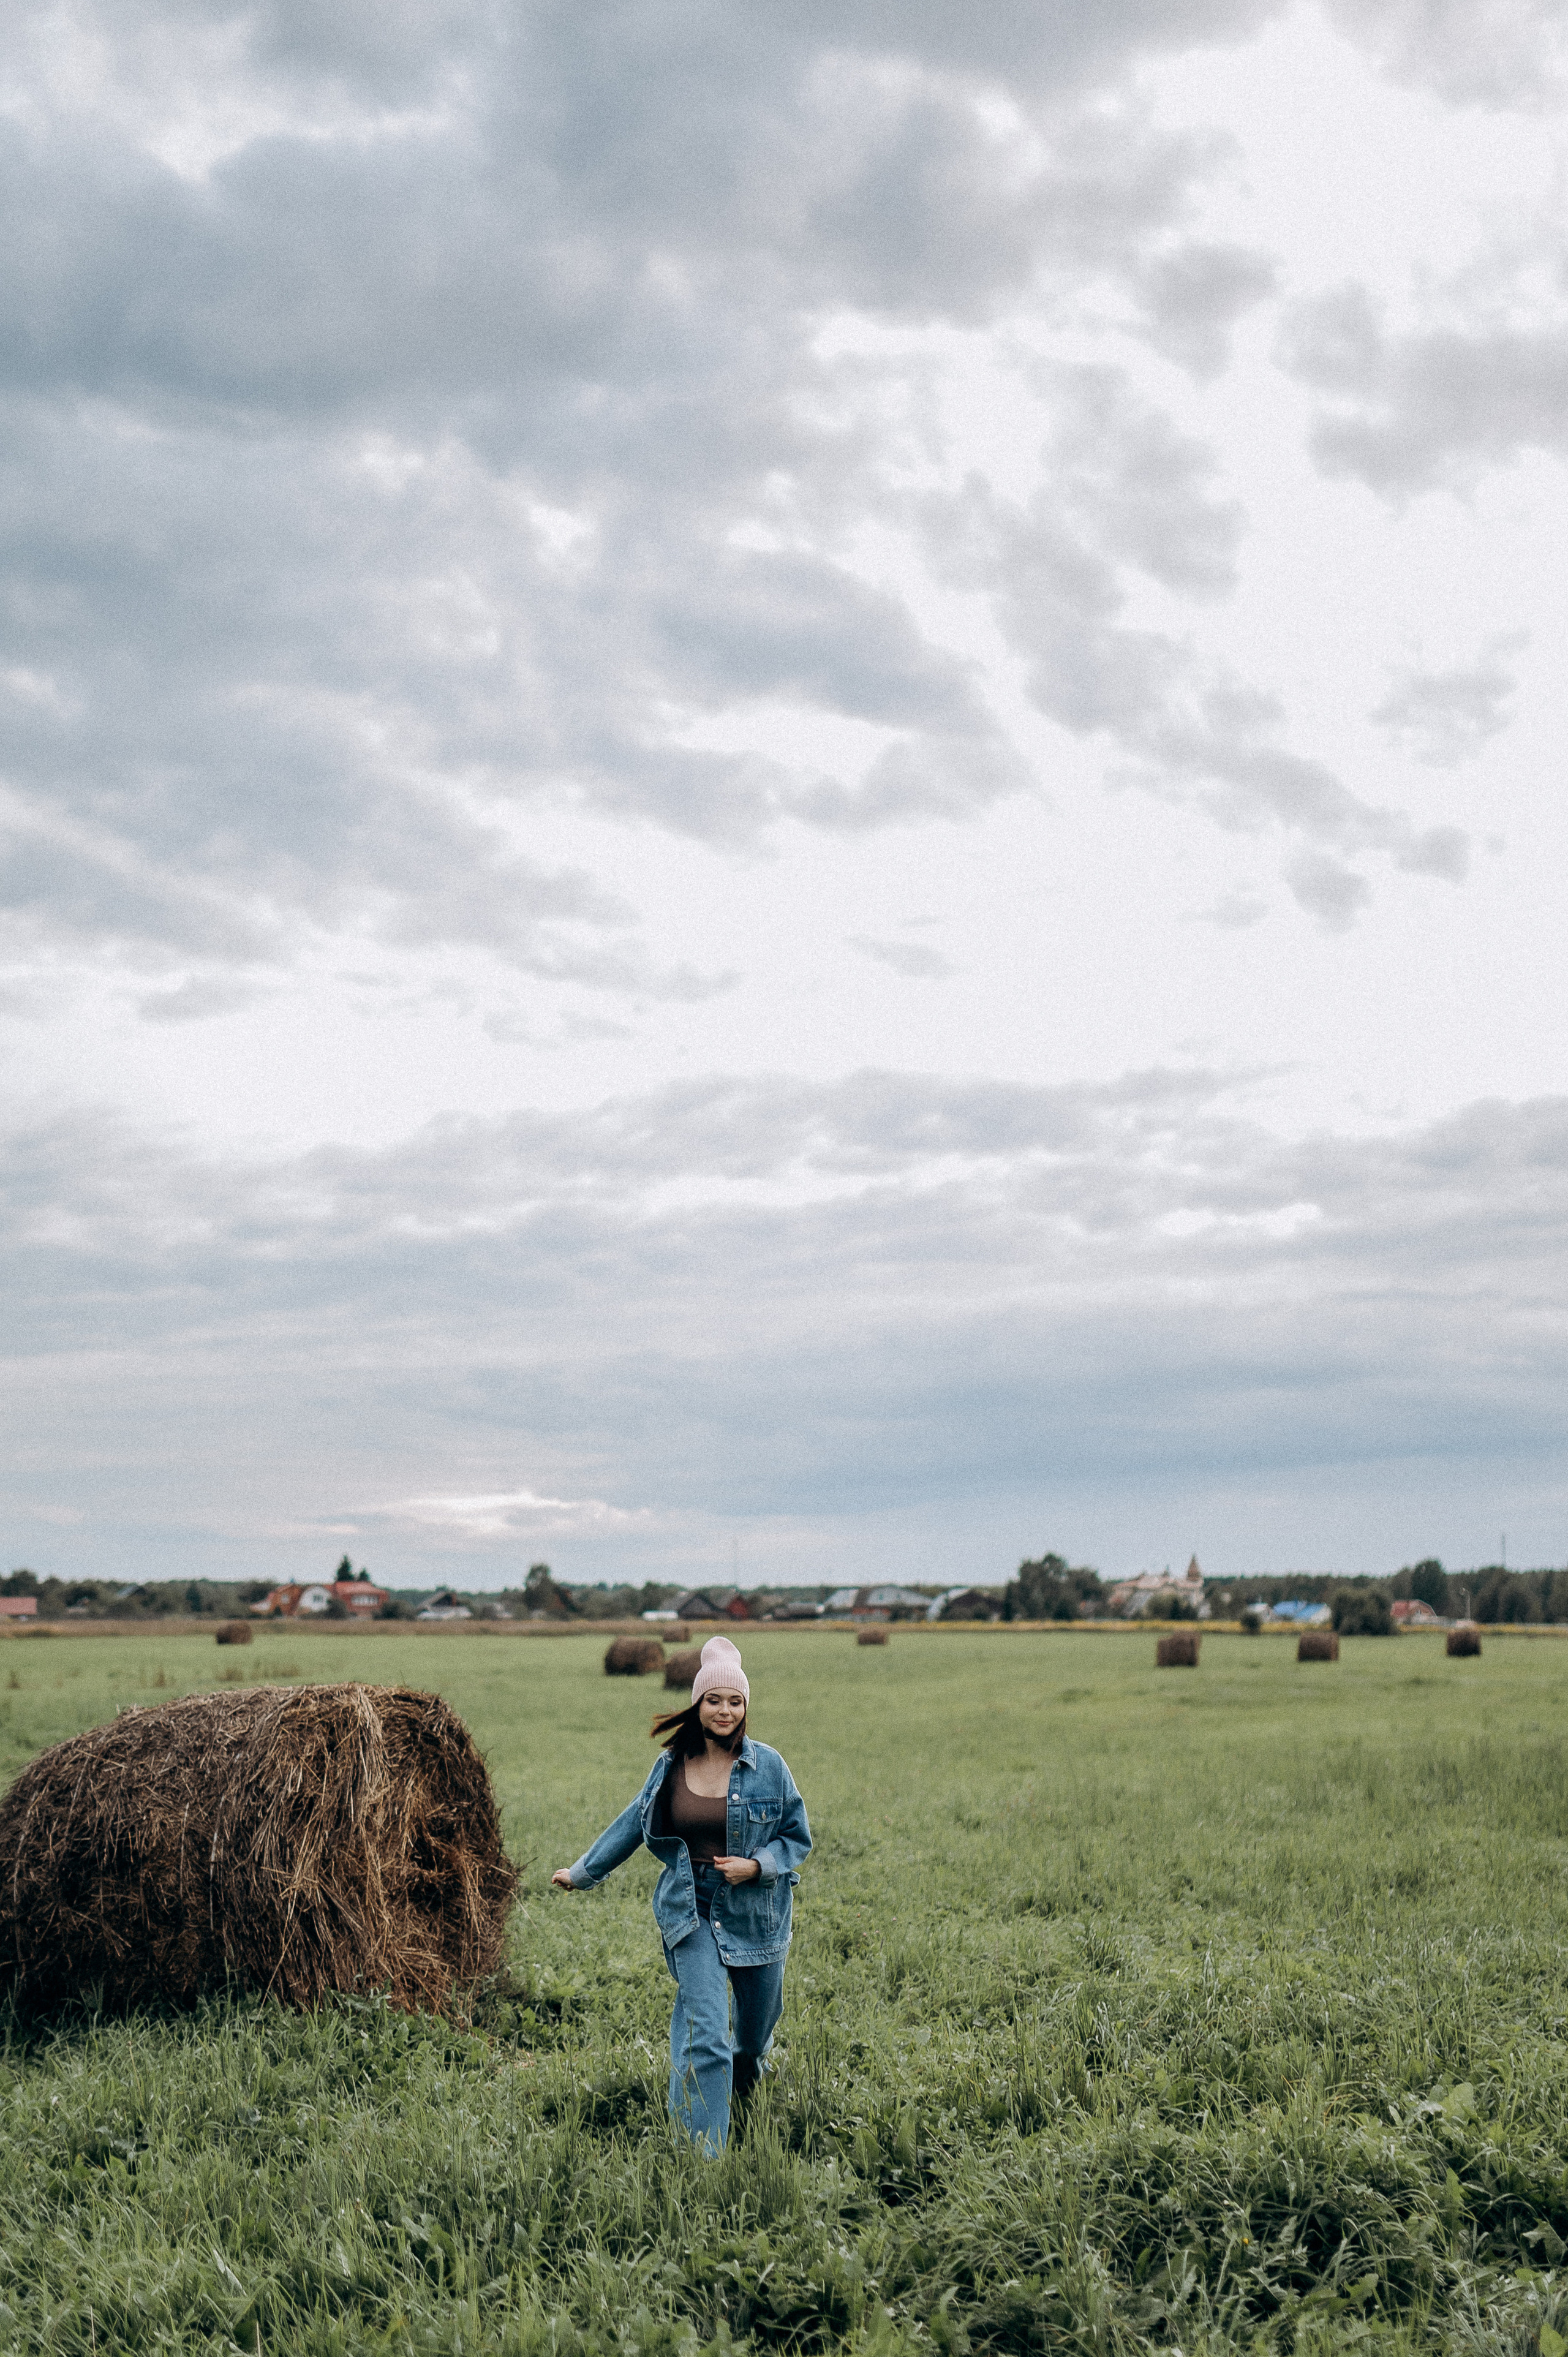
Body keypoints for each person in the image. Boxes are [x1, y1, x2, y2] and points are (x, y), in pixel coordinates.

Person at [551, 1634, 811, 2152]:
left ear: (745, 1707)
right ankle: (704, 2155)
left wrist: (758, 1865)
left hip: (756, 1914)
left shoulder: (770, 1767)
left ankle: (742, 2093)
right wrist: (583, 1872)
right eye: (714, 1699)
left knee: (751, 2043)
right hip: (689, 1911)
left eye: (735, 1701)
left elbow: (796, 1837)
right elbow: (634, 1820)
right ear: (697, 1703)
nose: (725, 1710)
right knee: (706, 2033)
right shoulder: (671, 1766)